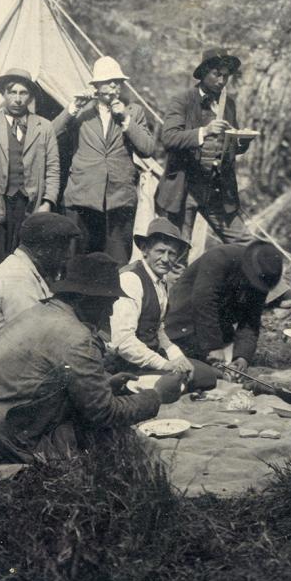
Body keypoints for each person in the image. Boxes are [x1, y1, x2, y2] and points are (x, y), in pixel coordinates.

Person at [0, 253, 185, 469]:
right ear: (85, 300)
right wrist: (156, 396)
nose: (109, 313)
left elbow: (31, 378)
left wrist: (104, 386)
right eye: (107, 304)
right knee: (110, 445)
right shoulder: (77, 337)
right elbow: (103, 413)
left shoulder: (38, 313)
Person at [53, 56, 156, 263]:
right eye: (108, 81)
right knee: (78, 262)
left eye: (117, 81)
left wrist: (125, 119)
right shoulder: (81, 111)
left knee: (116, 263)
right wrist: (72, 108)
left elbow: (147, 148)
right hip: (83, 196)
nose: (114, 86)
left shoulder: (133, 112)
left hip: (119, 198)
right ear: (96, 86)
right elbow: (50, 134)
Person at [0, 66, 60, 287]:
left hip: (29, 206)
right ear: (4, 94)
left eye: (23, 93)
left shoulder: (44, 127)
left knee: (26, 266)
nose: (17, 99)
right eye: (12, 92)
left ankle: (18, 320)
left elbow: (53, 169)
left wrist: (47, 203)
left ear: (30, 95)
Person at [154, 48, 253, 243]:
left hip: (217, 190)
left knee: (245, 244)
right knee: (177, 253)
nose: (222, 81)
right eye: (217, 74)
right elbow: (169, 138)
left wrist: (241, 141)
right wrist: (204, 132)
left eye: (226, 76)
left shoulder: (229, 104)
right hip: (184, 190)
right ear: (204, 73)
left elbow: (231, 147)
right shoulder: (183, 100)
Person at [108, 217, 218, 390]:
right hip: (126, 363)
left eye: (172, 253)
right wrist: (164, 365)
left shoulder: (160, 281)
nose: (166, 259)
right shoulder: (131, 280)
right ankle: (131, 388)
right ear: (145, 250)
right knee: (175, 384)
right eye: (160, 251)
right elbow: (123, 341)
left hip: (150, 357)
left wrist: (177, 358)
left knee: (206, 375)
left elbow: (158, 329)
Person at [0, 212, 81, 373]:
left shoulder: (30, 270)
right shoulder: (17, 276)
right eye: (62, 248)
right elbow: (34, 343)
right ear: (42, 249)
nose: (68, 255)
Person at [163, 239, 284, 378]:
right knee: (192, 372)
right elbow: (204, 303)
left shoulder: (263, 274)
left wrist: (242, 356)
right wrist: (213, 346)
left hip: (216, 326)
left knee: (229, 372)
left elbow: (251, 319)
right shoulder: (220, 257)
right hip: (182, 322)